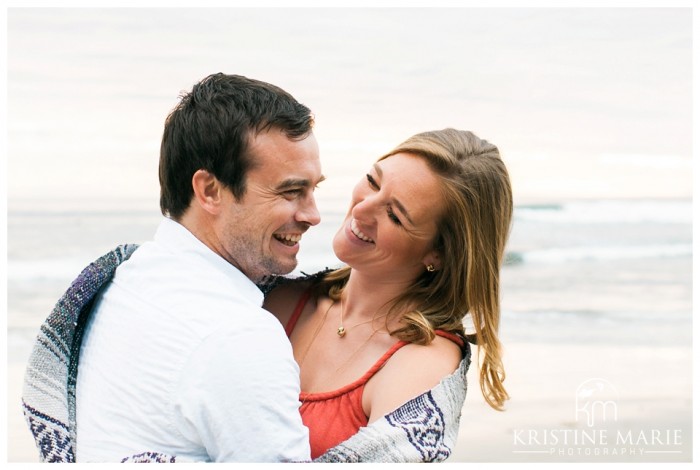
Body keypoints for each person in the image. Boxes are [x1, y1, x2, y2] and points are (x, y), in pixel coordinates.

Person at [69, 73, 324, 462]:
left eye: (313, 189)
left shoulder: (123, 281)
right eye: (290, 192)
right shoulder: (237, 335)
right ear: (209, 191)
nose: (312, 215)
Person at [263, 128, 512, 462]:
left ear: (437, 253)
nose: (363, 209)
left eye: (395, 215)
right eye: (373, 181)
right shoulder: (277, 296)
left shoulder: (420, 361)